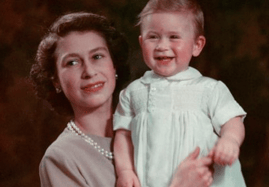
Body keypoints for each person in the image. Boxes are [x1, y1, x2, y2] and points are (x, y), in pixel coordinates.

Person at [30, 12, 214, 187]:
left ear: (114, 65)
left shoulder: (149, 126)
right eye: (72, 62)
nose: (89, 71)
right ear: (55, 80)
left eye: (97, 56)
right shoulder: (60, 158)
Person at [113, 0, 247, 186]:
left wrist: (230, 140)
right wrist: (125, 170)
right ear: (141, 42)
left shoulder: (209, 89)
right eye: (153, 37)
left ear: (196, 45)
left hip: (203, 179)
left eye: (174, 37)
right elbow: (123, 135)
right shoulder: (133, 92)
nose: (162, 45)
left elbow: (233, 120)